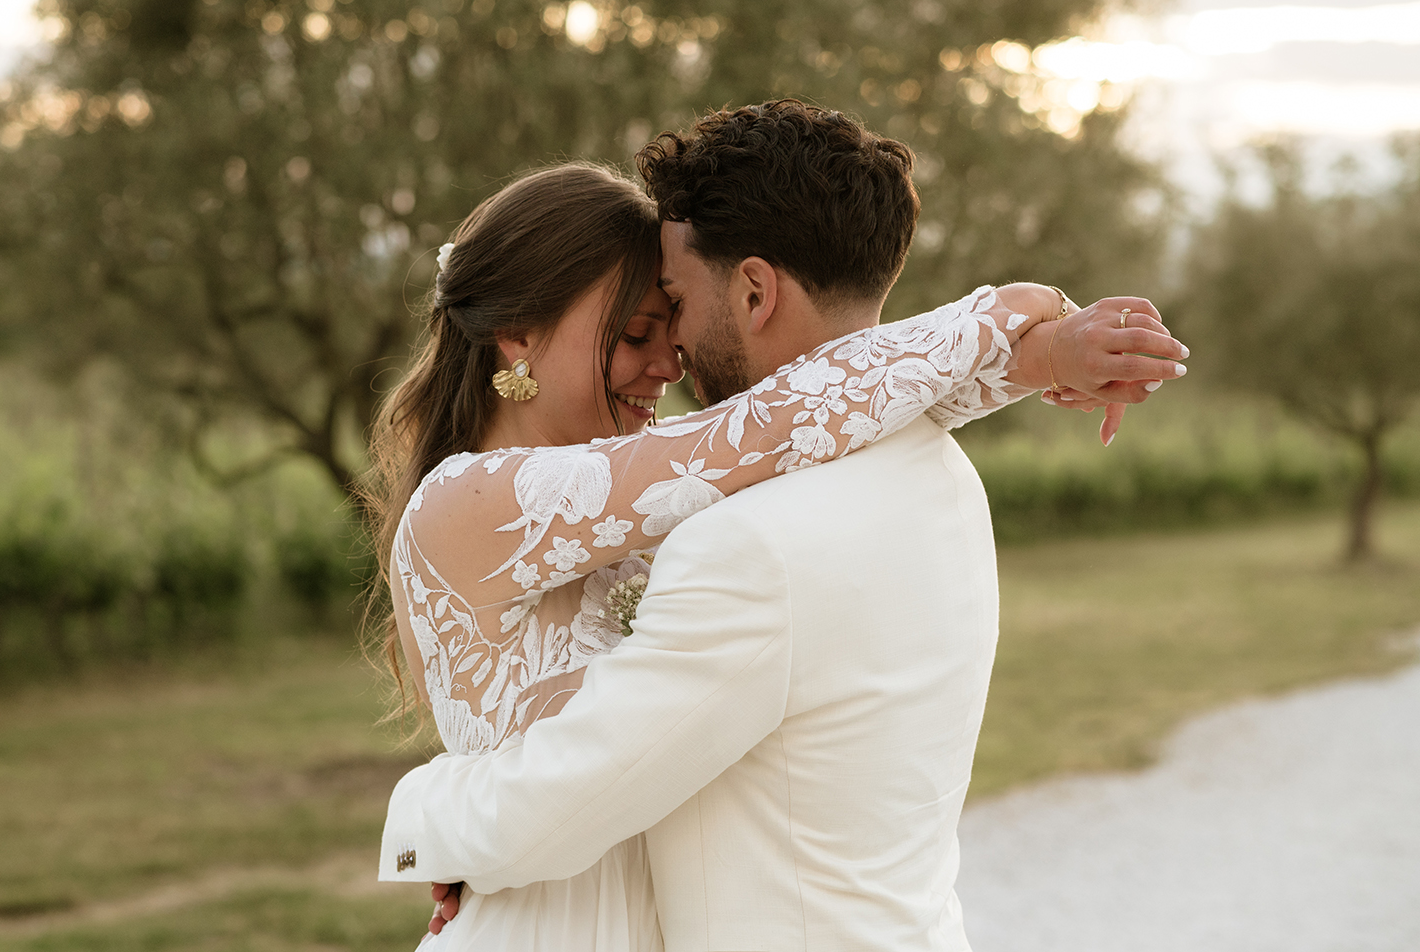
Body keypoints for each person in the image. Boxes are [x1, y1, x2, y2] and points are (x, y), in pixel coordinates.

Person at [371, 102, 1187, 951]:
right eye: (639, 331)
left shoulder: (695, 500)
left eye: (671, 313)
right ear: (517, 336)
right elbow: (767, 424)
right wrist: (1019, 331)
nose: (671, 358)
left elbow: (793, 421)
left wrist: (432, 814)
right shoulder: (466, 504)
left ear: (754, 288)